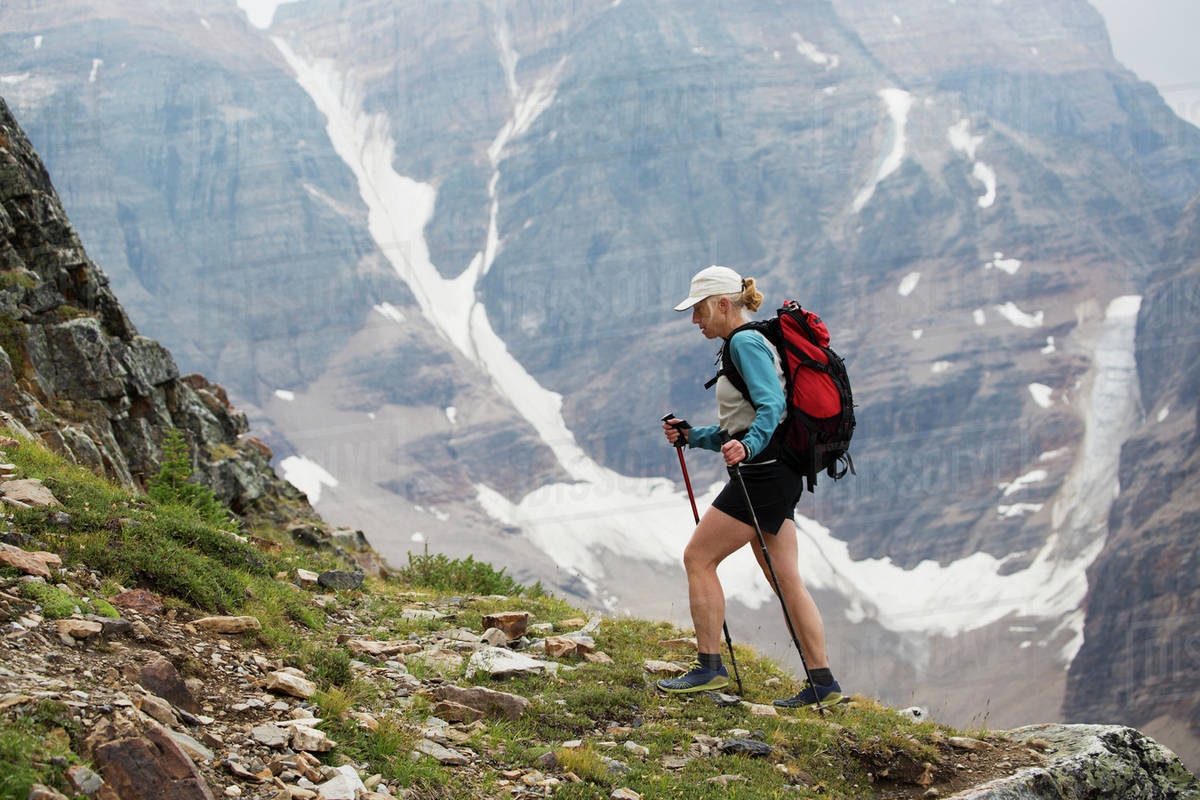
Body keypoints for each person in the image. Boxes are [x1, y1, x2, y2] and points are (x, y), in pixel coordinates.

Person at [658, 265, 843, 709]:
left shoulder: (743, 342)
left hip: (762, 474)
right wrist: (692, 436)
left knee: (698, 557)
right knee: (785, 579)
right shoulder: (745, 342)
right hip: (779, 471)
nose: (694, 320)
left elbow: (771, 406)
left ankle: (709, 667)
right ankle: (824, 683)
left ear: (723, 304)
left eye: (699, 310)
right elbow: (738, 426)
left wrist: (749, 446)